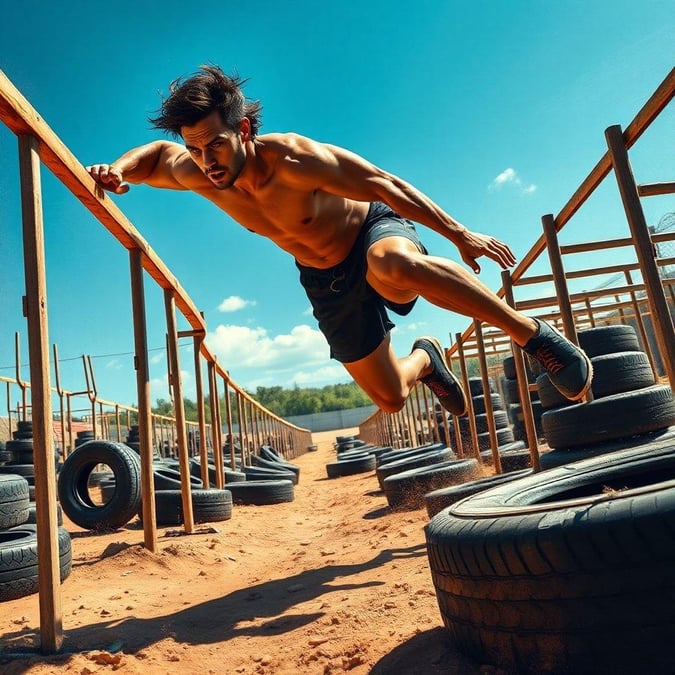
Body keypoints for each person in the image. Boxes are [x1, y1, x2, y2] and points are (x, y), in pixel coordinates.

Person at [87, 65, 592, 417]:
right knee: (390, 398)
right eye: (195, 149)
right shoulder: (197, 168)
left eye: (216, 143)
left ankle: (532, 334)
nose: (206, 159)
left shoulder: (294, 160)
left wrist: (460, 235)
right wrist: (118, 170)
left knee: (390, 266)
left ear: (242, 130)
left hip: (371, 230)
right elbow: (154, 155)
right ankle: (425, 359)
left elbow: (383, 184)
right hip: (324, 278)